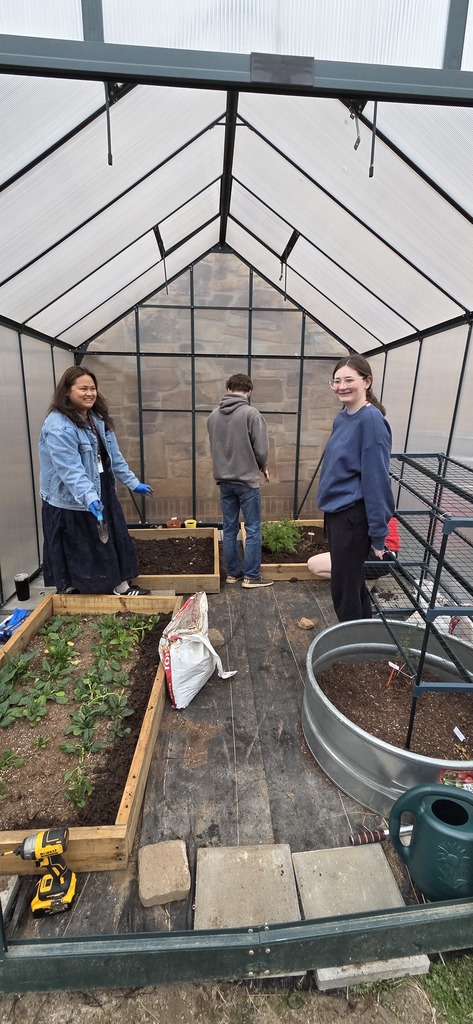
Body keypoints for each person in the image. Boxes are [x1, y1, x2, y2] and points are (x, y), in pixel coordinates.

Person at [39, 365, 153, 595]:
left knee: (110, 537)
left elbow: (113, 457)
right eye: (83, 388)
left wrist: (132, 482)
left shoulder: (96, 418)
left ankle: (120, 586)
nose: (90, 393)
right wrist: (89, 497)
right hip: (70, 498)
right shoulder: (58, 426)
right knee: (77, 543)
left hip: (101, 488)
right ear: (67, 391)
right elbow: (70, 470)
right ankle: (72, 589)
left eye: (93, 388)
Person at [315, 355, 395, 621]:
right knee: (352, 582)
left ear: (367, 381)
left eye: (349, 380)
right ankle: (364, 635)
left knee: (344, 588)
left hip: (352, 516)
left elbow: (377, 481)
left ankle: (352, 641)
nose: (341, 386)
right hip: (338, 513)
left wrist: (379, 535)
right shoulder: (343, 417)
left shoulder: (370, 420)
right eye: (336, 381)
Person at [206, 373, 273, 588]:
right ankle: (251, 577)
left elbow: (216, 447)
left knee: (229, 528)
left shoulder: (213, 416)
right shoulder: (251, 414)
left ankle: (233, 574)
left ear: (228, 389)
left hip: (224, 482)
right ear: (249, 392)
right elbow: (261, 449)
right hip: (246, 481)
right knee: (252, 529)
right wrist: (263, 467)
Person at [307, 516, 401, 580]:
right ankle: (354, 578)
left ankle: (352, 580)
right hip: (387, 558)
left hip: (378, 557)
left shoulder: (368, 501)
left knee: (314, 564)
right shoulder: (382, 498)